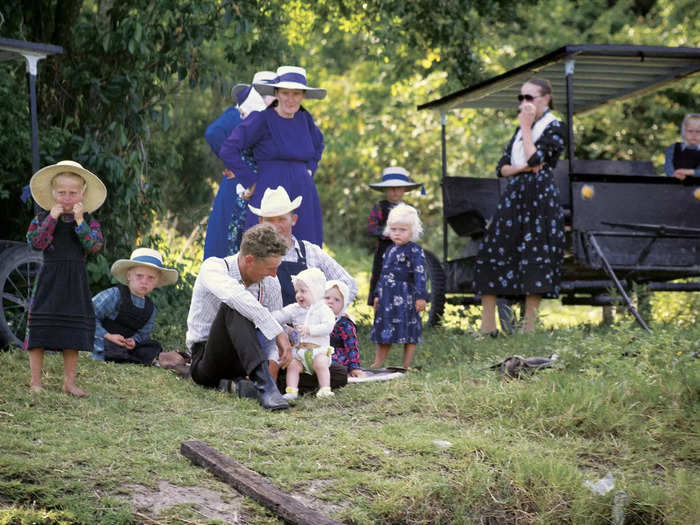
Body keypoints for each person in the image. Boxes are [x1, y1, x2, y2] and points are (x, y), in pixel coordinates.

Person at [472, 77, 566, 335]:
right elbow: (501, 168)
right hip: (514, 197)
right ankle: (487, 326)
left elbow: (537, 158)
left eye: (530, 98)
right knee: (493, 251)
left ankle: (529, 327)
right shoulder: (518, 131)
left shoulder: (555, 127)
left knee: (535, 256)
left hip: (539, 199)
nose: (524, 103)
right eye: (521, 98)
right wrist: (524, 167)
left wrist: (526, 127)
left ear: (545, 98)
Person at [185, 223, 292, 410]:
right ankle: (265, 387)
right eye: (270, 268)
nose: (274, 274)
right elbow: (234, 296)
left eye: (277, 267)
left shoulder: (271, 282)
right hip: (207, 359)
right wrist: (278, 332)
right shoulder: (213, 268)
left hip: (248, 356)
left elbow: (275, 327)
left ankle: (243, 384)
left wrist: (273, 363)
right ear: (249, 259)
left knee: (334, 374)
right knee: (236, 306)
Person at [219, 66, 326, 246]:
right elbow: (229, 149)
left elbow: (318, 146)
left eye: (296, 94)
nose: (290, 99)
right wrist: (250, 181)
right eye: (285, 93)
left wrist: (309, 170)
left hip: (303, 193)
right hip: (269, 191)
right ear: (276, 92)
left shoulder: (305, 119)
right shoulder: (261, 119)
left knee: (305, 248)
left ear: (303, 95)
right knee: (264, 248)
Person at [24, 160, 106, 396]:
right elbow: (35, 242)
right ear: (53, 193)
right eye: (62, 193)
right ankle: (35, 382)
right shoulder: (42, 217)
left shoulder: (88, 220)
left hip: (75, 280)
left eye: (72, 193)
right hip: (49, 278)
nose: (67, 197)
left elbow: (94, 246)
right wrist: (51, 218)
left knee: (73, 333)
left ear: (82, 194)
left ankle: (69, 383)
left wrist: (80, 221)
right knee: (39, 330)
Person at [203, 70, 277, 259]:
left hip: (263, 187)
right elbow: (213, 133)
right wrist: (239, 166)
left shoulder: (273, 118)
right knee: (228, 243)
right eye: (264, 94)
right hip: (239, 188)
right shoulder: (240, 113)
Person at [91, 248, 179, 364]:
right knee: (102, 343)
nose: (144, 281)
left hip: (124, 344)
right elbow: (89, 315)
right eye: (139, 276)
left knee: (153, 346)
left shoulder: (150, 309)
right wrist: (108, 336)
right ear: (129, 276)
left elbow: (143, 333)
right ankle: (114, 354)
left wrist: (133, 341)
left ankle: (124, 355)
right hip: (103, 336)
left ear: (157, 282)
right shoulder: (115, 295)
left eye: (151, 278)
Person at [370, 204, 427, 370]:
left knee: (409, 330)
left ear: (412, 231)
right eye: (393, 229)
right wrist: (377, 295)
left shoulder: (415, 250)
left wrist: (421, 297)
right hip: (387, 298)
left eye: (402, 230)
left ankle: (406, 364)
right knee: (384, 329)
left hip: (406, 297)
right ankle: (378, 361)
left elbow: (420, 274)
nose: (397, 233)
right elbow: (382, 274)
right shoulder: (388, 250)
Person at [272, 268, 336, 400]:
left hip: (318, 351)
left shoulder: (323, 309)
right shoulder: (294, 309)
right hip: (300, 352)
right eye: (297, 291)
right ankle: (292, 390)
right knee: (293, 366)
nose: (298, 295)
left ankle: (325, 389)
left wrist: (310, 330)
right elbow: (280, 316)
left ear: (316, 291)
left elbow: (328, 326)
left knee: (320, 363)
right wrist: (267, 316)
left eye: (303, 291)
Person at [367, 166, 424, 305]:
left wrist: (404, 236)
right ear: (385, 190)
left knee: (405, 275)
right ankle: (379, 303)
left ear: (404, 189)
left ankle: (405, 304)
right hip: (384, 249)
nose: (395, 191)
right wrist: (389, 233)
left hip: (406, 249)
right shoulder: (380, 207)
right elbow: (371, 227)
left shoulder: (409, 209)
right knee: (381, 274)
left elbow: (414, 229)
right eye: (391, 188)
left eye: (398, 188)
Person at [325, 280, 365, 378]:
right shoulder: (315, 319)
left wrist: (354, 367)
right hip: (318, 354)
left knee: (332, 366)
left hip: (336, 357)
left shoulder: (344, 324)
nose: (331, 301)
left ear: (343, 305)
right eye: (327, 298)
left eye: (337, 300)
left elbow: (352, 347)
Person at [664, 113, 700, 180]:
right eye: (690, 131)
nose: (694, 135)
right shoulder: (672, 149)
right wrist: (674, 174)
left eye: (698, 131)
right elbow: (668, 168)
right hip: (673, 186)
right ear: (684, 131)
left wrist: (689, 172)